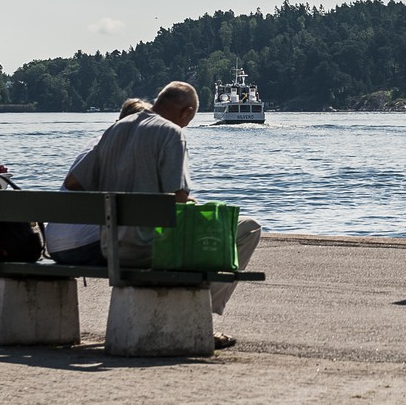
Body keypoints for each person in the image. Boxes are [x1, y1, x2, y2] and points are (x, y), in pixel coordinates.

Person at [64, 80, 263, 342]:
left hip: (111, 247)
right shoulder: (171, 133)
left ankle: (195, 317)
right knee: (248, 228)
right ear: (187, 112)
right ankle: (199, 319)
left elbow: (73, 182)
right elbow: (178, 200)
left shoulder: (114, 129)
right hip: (153, 249)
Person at [46, 97, 152, 267]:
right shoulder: (114, 147)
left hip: (55, 245)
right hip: (84, 246)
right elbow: (72, 182)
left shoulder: (99, 141)